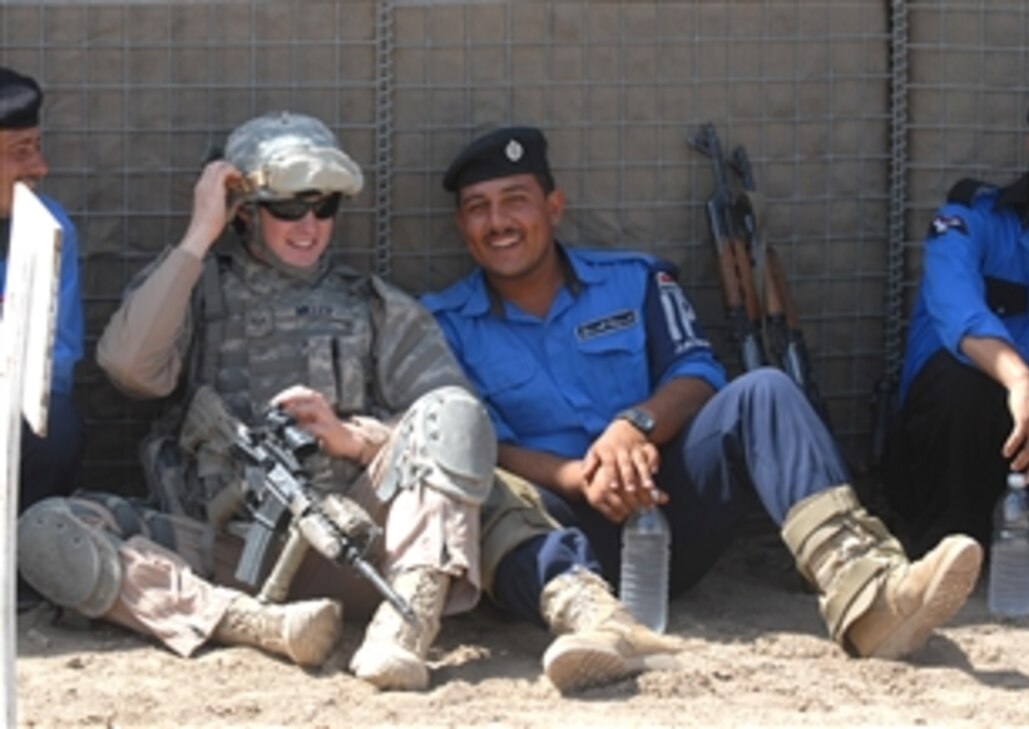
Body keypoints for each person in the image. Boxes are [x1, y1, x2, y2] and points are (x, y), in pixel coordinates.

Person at [17, 111, 673, 694]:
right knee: (46, 528)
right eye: (288, 207)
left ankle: (428, 624)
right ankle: (259, 628)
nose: (309, 225)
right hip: (220, 553)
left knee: (469, 450)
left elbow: (458, 427)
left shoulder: (375, 306)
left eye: (324, 206)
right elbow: (129, 367)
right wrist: (198, 234)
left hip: (360, 541)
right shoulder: (195, 290)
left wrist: (353, 437)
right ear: (245, 210)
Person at [423, 125, 983, 661]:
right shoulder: (441, 324)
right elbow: (479, 442)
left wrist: (632, 428)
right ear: (461, 226)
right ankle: (589, 621)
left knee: (764, 390)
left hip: (661, 512)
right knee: (475, 484)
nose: (498, 222)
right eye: (478, 208)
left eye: (515, 200)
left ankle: (866, 592)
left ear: (554, 206)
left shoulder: (636, 280)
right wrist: (577, 477)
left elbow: (697, 372)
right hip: (551, 526)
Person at [883, 67, 1029, 598]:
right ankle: (945, 550)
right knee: (964, 380)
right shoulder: (969, 222)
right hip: (957, 443)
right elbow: (959, 313)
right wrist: (1021, 382)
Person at [1, 67, 86, 610]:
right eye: (20, 151)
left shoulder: (48, 228)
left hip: (8, 406)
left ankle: (25, 570)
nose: (40, 167)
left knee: (55, 426)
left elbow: (58, 355)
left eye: (38, 147)